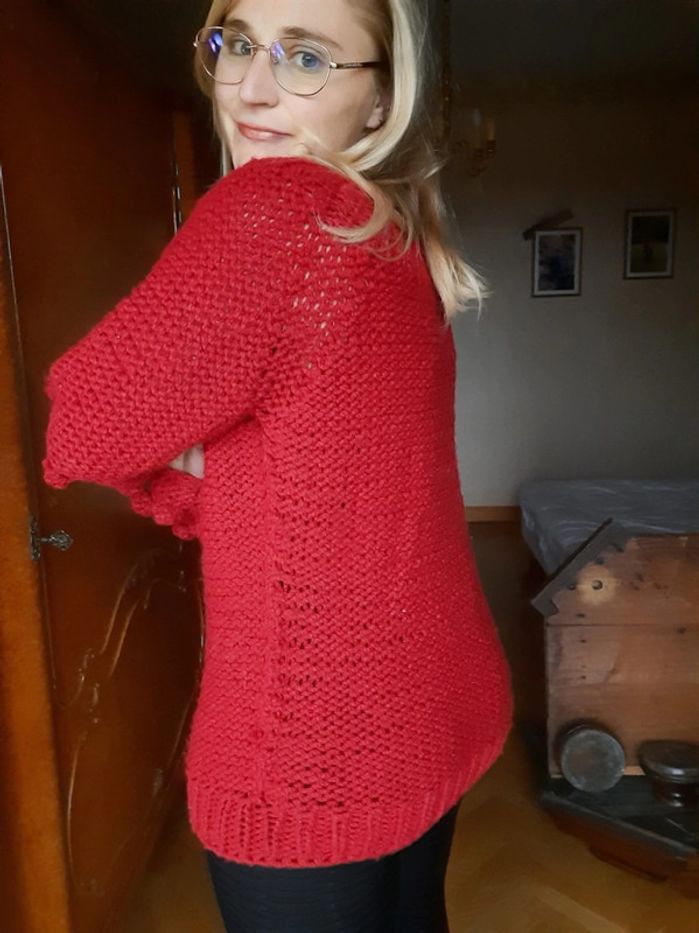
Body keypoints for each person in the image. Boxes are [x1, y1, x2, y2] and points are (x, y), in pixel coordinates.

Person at [42, 0, 514, 929]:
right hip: (433, 694)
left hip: (312, 751)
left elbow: (87, 424)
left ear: (381, 98)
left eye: (306, 57)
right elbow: (345, 478)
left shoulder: (279, 212)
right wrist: (211, 483)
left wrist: (179, 467)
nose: (250, 88)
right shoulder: (398, 239)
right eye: (237, 44)